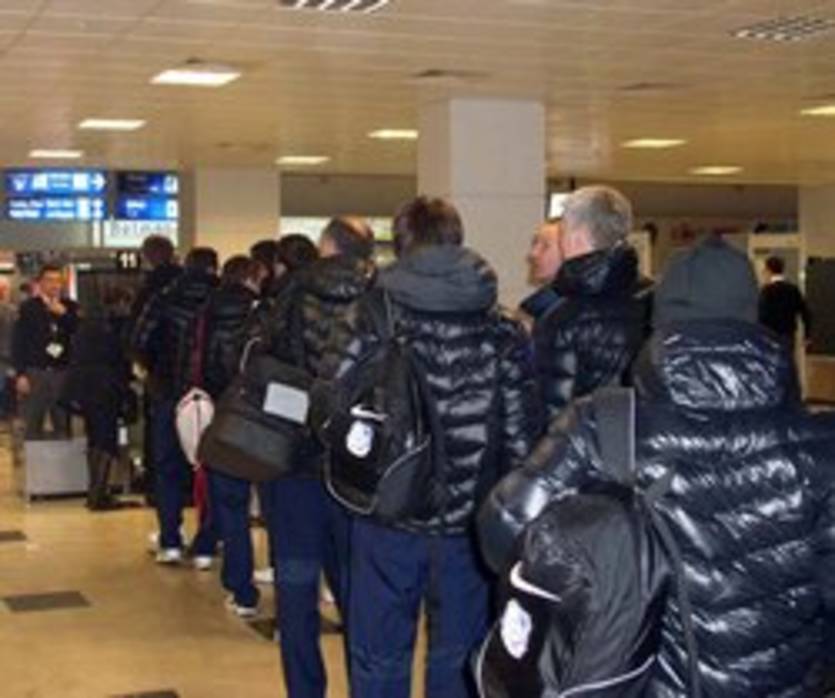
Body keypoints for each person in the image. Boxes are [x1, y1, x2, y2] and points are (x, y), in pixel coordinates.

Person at [479, 236, 835, 696]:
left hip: (643, 679)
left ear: (661, 318)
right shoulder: (820, 444)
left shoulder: (602, 424)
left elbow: (503, 531)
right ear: (753, 316)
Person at [318, 197, 542, 698]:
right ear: (456, 239)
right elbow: (521, 437)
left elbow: (329, 406)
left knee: (378, 653)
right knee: (459, 654)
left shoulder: (370, 315)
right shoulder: (502, 327)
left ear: (401, 242)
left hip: (386, 514)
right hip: (470, 522)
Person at [250, 217, 374, 698]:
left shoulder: (293, 291)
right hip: (357, 468)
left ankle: (305, 690)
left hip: (296, 461)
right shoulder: (381, 294)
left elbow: (262, 362)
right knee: (359, 593)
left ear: (326, 246)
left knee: (296, 586)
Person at [130, 247, 220, 566]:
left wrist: (154, 371)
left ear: (185, 266)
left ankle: (170, 540)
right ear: (214, 267)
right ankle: (207, 544)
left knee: (167, 468)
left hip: (169, 392)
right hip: (213, 396)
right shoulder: (222, 299)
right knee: (213, 468)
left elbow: (139, 340)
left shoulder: (164, 298)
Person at [532, 185, 650, 421]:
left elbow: (553, 413)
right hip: (644, 439)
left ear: (574, 236)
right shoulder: (656, 300)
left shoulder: (562, 318)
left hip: (585, 441)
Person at [252, 233, 320, 588]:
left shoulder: (282, 299)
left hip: (287, 405)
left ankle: (288, 579)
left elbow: (268, 352)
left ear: (279, 265)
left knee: (287, 503)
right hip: (329, 411)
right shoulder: (345, 295)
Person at [196, 256, 262, 614]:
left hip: (226, 415)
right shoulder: (266, 313)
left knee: (230, 503)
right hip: (268, 423)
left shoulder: (206, 312)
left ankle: (241, 588)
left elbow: (200, 365)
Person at [64, 286, 134, 511]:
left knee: (95, 438)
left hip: (85, 388)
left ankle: (95, 490)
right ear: (121, 303)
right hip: (106, 388)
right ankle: (99, 493)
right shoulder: (116, 325)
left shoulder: (87, 324)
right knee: (106, 439)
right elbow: (122, 358)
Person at [128, 235, 182, 502]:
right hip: (195, 374)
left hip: (161, 372)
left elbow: (138, 334)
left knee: (160, 434)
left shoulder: (152, 291)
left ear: (148, 257)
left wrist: (142, 364)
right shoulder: (191, 286)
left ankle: (159, 490)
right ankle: (189, 488)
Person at [12, 264, 80, 439]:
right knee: (32, 425)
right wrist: (20, 374)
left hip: (62, 371)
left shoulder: (70, 306)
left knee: (63, 424)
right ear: (40, 283)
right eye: (49, 280)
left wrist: (64, 315)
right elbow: (19, 342)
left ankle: (62, 455)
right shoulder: (29, 307)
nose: (54, 285)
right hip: (35, 371)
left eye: (58, 281)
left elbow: (80, 333)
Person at [758, 254, 812, 346]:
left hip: (770, 335)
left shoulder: (767, 291)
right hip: (788, 335)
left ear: (768, 270)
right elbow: (805, 313)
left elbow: (762, 315)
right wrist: (807, 335)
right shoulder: (793, 289)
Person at [518, 218, 563, 326]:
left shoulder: (572, 312)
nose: (533, 254)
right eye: (534, 244)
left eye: (545, 246)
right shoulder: (536, 308)